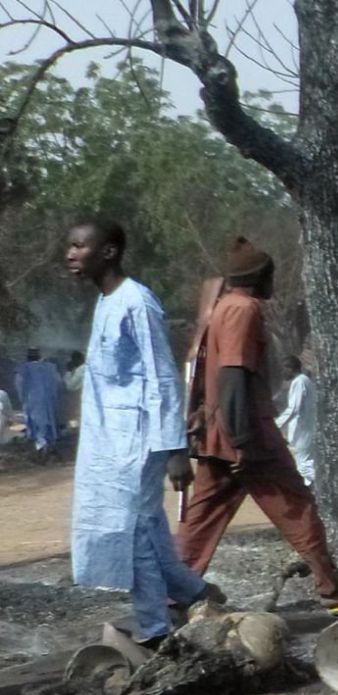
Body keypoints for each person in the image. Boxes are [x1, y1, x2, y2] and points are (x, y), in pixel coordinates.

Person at [178, 238, 338, 612]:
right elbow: (233, 375)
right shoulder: (243, 310)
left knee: (200, 519)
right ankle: (332, 587)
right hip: (247, 435)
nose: (274, 283)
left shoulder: (221, 307)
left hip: (218, 435)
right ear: (258, 278)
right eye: (271, 275)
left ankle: (175, 593)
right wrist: (244, 441)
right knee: (297, 506)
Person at [65, 219, 222, 647]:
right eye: (70, 247)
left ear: (109, 251)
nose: (71, 254)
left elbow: (163, 376)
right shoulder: (106, 302)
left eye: (80, 246)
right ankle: (197, 593)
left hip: (140, 441)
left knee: (134, 535)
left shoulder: (137, 302)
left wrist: (174, 448)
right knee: (147, 530)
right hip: (110, 445)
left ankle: (154, 629)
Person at [275, 354, 318, 485]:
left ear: (290, 368)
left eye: (283, 369)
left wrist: (276, 425)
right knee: (306, 464)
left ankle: (330, 482)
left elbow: (294, 408)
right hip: (307, 428)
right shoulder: (304, 381)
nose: (282, 373)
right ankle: (313, 498)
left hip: (303, 430)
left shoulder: (299, 381)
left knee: (303, 467)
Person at [15, 346, 64, 452]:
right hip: (49, 399)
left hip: (32, 399)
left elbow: (19, 384)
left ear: (28, 356)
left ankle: (41, 445)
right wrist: (55, 396)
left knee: (36, 422)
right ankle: (49, 443)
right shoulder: (51, 367)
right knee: (49, 420)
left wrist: (22, 398)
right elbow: (59, 382)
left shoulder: (23, 369)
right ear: (39, 356)